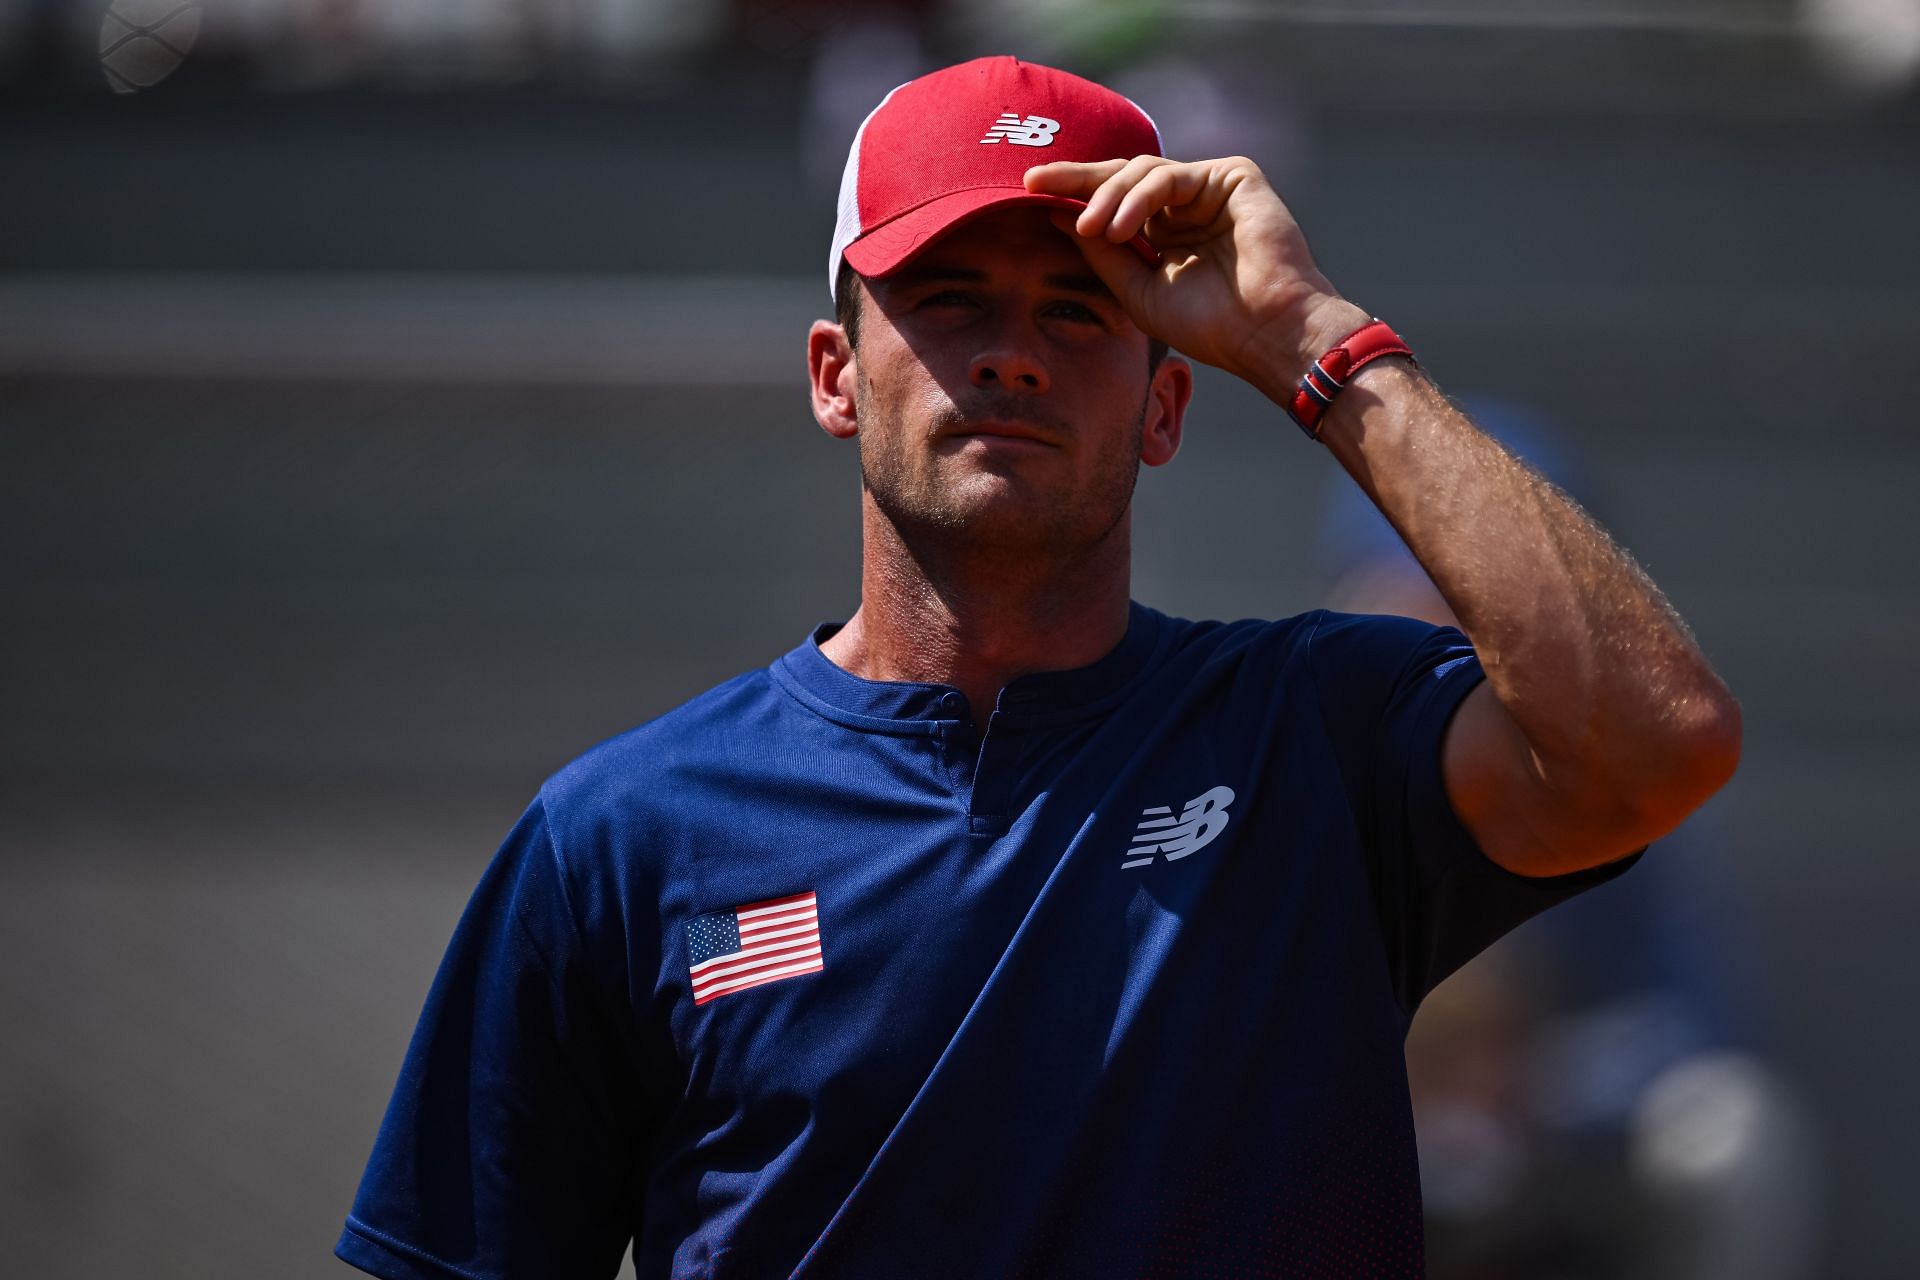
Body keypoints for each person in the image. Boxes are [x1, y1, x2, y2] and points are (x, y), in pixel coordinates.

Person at [335, 56, 1742, 1280]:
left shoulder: (1308, 736)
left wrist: (1309, 335)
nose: (1011, 354)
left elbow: (1657, 739)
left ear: (1168, 402)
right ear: (835, 374)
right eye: (948, 300)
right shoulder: (621, 838)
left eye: (1077, 312)